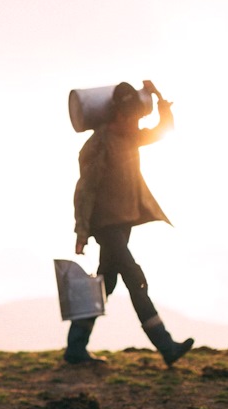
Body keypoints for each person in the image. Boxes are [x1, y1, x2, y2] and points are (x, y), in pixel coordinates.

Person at [65, 80, 194, 366]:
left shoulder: (130, 136)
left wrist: (160, 100)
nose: (135, 122)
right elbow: (85, 191)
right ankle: (165, 344)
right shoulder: (99, 144)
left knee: (105, 284)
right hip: (106, 226)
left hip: (123, 223)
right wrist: (82, 231)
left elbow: (164, 131)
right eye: (131, 117)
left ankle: (75, 347)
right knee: (135, 278)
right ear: (117, 115)